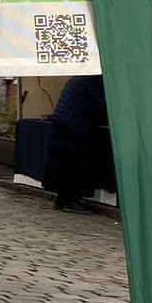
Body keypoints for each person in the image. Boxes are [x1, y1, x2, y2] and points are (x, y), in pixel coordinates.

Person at [43, 74, 109, 212]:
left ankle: (63, 199)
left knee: (65, 164)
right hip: (75, 125)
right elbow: (104, 103)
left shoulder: (83, 78)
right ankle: (70, 201)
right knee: (75, 164)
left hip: (66, 122)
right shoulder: (95, 81)